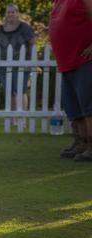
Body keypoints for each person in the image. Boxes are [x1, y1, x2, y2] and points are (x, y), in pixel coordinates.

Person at [49, 0, 92, 160]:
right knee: (73, 107)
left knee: (88, 106)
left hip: (84, 60)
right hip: (67, 62)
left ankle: (91, 146)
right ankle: (80, 142)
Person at [0, 3, 35, 123]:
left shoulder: (25, 28)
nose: (10, 14)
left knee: (20, 91)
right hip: (4, 65)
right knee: (10, 91)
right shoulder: (0, 29)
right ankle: (13, 119)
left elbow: (32, 43)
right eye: (8, 12)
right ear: (5, 14)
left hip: (22, 65)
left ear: (17, 13)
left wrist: (32, 61)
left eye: (13, 12)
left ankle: (22, 118)